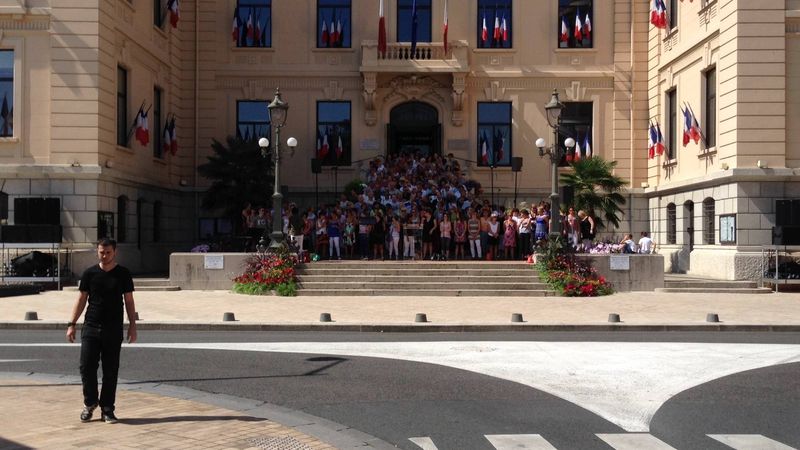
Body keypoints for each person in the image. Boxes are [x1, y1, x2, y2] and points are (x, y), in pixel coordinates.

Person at [66, 238, 136, 424]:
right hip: (91, 327)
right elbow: (81, 300)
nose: (104, 256)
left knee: (110, 370)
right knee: (86, 367)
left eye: (108, 253)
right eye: (101, 252)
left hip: (113, 329)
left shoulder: (123, 274)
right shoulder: (90, 273)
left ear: (115, 252)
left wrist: (133, 326)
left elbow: (129, 301)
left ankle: (107, 408)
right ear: (97, 252)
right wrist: (71, 323)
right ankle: (90, 404)